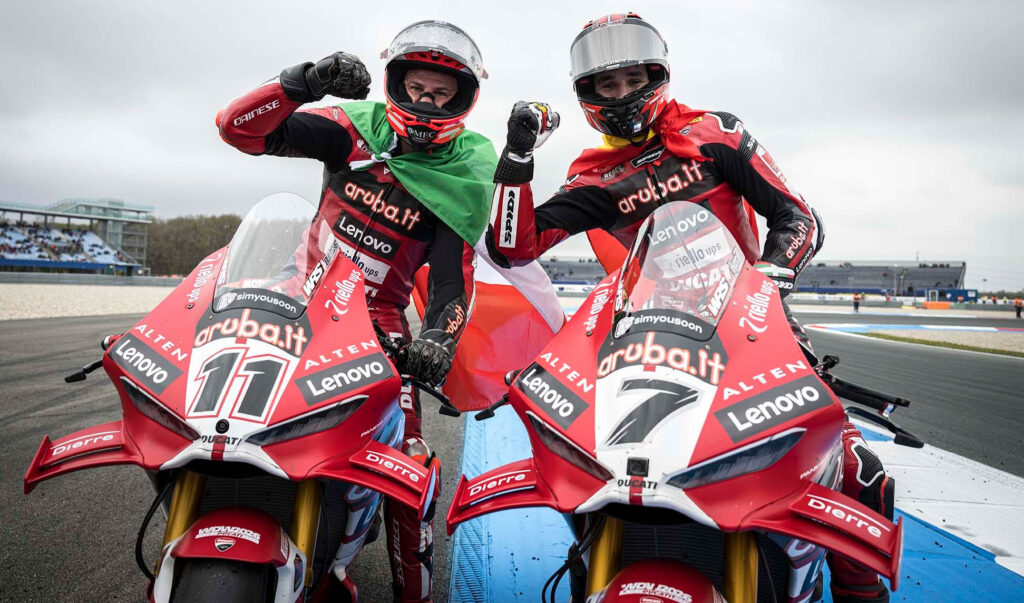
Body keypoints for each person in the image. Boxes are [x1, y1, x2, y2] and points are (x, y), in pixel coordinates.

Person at [486, 13, 893, 603]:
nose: (622, 94)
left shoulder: (716, 134)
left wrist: (768, 282)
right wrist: (517, 156)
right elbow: (512, 246)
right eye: (607, 85)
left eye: (631, 79)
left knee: (860, 472)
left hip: (755, 330)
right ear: (588, 96)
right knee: (593, 465)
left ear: (656, 74)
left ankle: (861, 595)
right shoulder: (592, 175)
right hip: (640, 344)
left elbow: (798, 217)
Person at [217, 21, 495, 602]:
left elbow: (450, 283)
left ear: (463, 101)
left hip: (382, 325)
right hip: (296, 297)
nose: (426, 102)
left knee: (410, 463)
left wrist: (440, 339)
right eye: (417, 87)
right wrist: (305, 81)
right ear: (395, 82)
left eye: (441, 93)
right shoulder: (353, 130)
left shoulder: (465, 173)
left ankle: (399, 590)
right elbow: (238, 131)